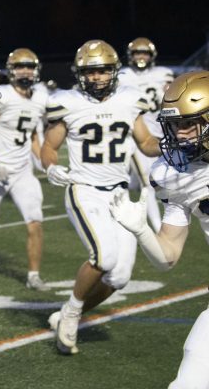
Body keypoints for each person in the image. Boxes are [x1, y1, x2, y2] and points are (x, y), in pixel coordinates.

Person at [41, 40, 160, 354]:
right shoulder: (67, 102)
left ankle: (69, 309)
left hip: (120, 195)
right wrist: (51, 168)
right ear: (81, 73)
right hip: (86, 191)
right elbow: (49, 147)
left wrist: (176, 144)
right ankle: (71, 314)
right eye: (90, 71)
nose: (96, 77)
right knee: (104, 257)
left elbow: (146, 142)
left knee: (119, 276)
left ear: (114, 69)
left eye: (103, 70)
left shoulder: (129, 100)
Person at [109, 71, 209, 389]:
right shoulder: (176, 174)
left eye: (189, 124)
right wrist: (142, 231)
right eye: (175, 125)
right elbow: (168, 256)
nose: (181, 135)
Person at [0, 48, 49, 291]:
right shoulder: (2, 96)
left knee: (35, 221)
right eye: (19, 66)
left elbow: (34, 137)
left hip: (23, 171)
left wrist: (49, 165)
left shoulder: (40, 98)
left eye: (29, 66)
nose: (25, 70)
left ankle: (33, 275)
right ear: (11, 70)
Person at [118, 37, 175, 232]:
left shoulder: (163, 74)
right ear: (130, 56)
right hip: (137, 134)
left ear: (152, 56)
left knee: (164, 179)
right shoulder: (123, 76)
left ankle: (130, 182)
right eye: (137, 53)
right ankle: (159, 228)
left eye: (144, 53)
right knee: (147, 183)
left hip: (162, 134)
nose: (141, 56)